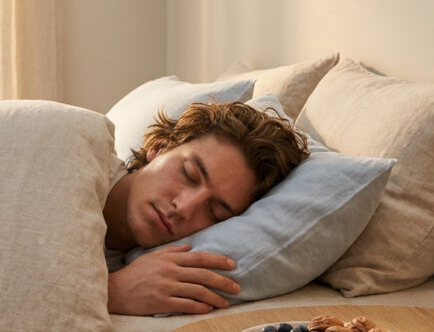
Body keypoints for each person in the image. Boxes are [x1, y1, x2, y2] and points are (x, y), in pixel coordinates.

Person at [103, 100, 309, 315]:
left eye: (215, 213)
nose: (183, 208)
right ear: (159, 147)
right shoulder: (82, 150)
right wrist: (111, 292)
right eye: (189, 174)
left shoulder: (116, 257)